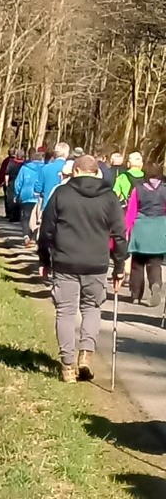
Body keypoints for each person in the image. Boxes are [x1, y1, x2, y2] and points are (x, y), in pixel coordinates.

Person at [38, 153, 128, 383]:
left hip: (65, 262)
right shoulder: (109, 197)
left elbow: (46, 230)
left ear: (75, 171)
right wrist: (119, 266)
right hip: (96, 264)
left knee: (65, 312)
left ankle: (67, 366)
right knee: (92, 308)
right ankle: (86, 354)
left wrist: (44, 259)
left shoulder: (61, 193)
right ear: (96, 172)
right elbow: (119, 234)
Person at [125, 163, 166, 306]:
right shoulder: (165, 189)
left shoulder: (138, 189)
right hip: (159, 227)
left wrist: (127, 229)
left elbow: (131, 211)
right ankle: (155, 283)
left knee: (137, 264)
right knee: (155, 262)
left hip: (141, 227)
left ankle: (136, 295)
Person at [13, 151, 43, 242]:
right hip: (39, 196)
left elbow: (18, 182)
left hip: (26, 195)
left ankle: (26, 235)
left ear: (31, 159)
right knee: (37, 217)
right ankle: (34, 236)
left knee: (25, 217)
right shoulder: (44, 168)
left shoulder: (24, 168)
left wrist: (16, 194)